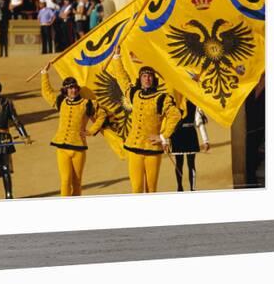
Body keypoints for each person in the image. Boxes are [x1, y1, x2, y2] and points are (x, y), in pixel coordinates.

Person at [112, 45, 181, 193]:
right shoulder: (135, 94)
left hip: (152, 149)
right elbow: (123, 80)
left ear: (153, 79)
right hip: (134, 148)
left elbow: (175, 115)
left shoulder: (162, 98)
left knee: (151, 190)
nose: (147, 79)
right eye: (144, 76)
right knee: (136, 188)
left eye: (150, 76)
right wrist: (117, 57)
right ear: (140, 79)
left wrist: (163, 137)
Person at [41, 62, 106, 196]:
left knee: (77, 181)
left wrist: (92, 131)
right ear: (65, 90)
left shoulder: (87, 103)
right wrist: (44, 74)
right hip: (62, 148)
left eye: (75, 87)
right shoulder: (61, 102)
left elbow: (102, 115)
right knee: (65, 180)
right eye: (70, 88)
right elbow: (47, 93)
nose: (73, 90)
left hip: (78, 148)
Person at [169, 100, 210, 191]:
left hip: (190, 134)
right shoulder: (173, 102)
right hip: (177, 135)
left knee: (191, 164)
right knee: (179, 163)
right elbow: (168, 122)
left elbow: (199, 123)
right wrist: (165, 141)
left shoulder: (195, 103)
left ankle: (193, 188)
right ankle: (179, 187)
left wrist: (205, 140)